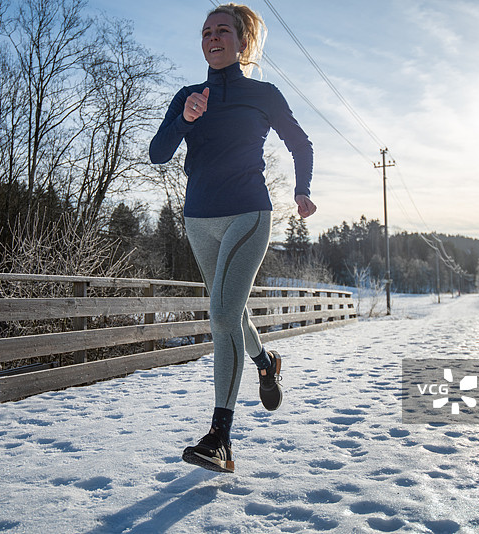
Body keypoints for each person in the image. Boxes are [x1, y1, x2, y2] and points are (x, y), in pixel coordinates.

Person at [149, 2, 316, 474]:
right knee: (231, 312)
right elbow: (158, 153)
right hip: (199, 219)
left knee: (220, 314)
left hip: (248, 212)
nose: (212, 37)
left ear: (243, 42)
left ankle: (220, 437)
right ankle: (265, 362)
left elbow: (300, 142)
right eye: (206, 32)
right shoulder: (189, 94)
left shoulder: (262, 94)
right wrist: (184, 119)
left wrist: (302, 190)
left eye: (223, 30)